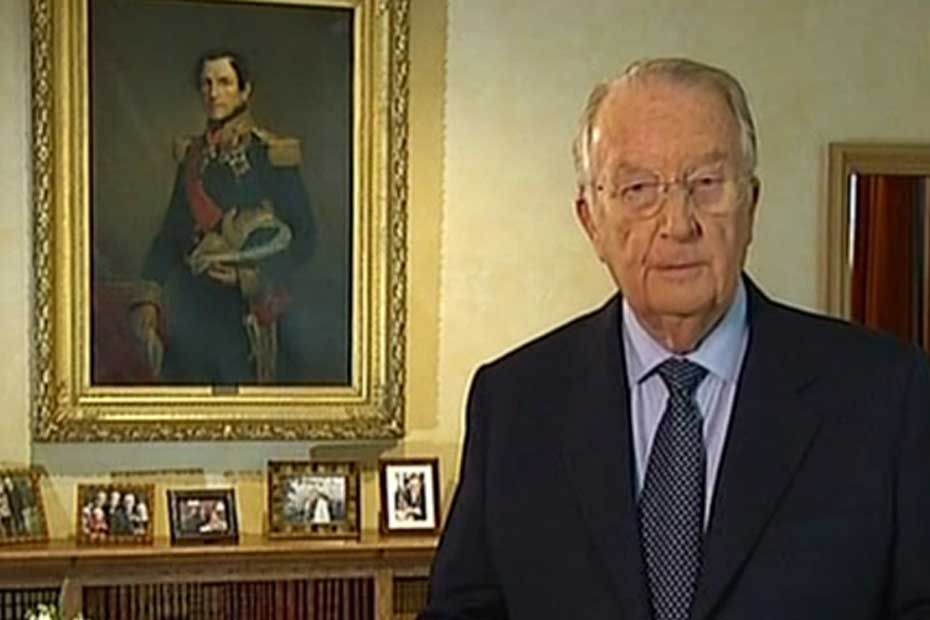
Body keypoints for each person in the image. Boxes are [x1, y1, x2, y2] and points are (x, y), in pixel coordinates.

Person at [421, 58, 930, 619]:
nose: (678, 224)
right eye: (639, 189)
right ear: (591, 221)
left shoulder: (885, 394)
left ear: (751, 204)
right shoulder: (515, 404)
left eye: (707, 184)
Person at [132, 49, 316, 385]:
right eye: (206, 84)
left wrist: (249, 277)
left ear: (245, 91)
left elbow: (305, 239)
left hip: (249, 316)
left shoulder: (271, 156)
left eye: (224, 83)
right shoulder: (192, 158)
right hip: (193, 313)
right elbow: (171, 234)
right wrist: (149, 297)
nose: (213, 93)